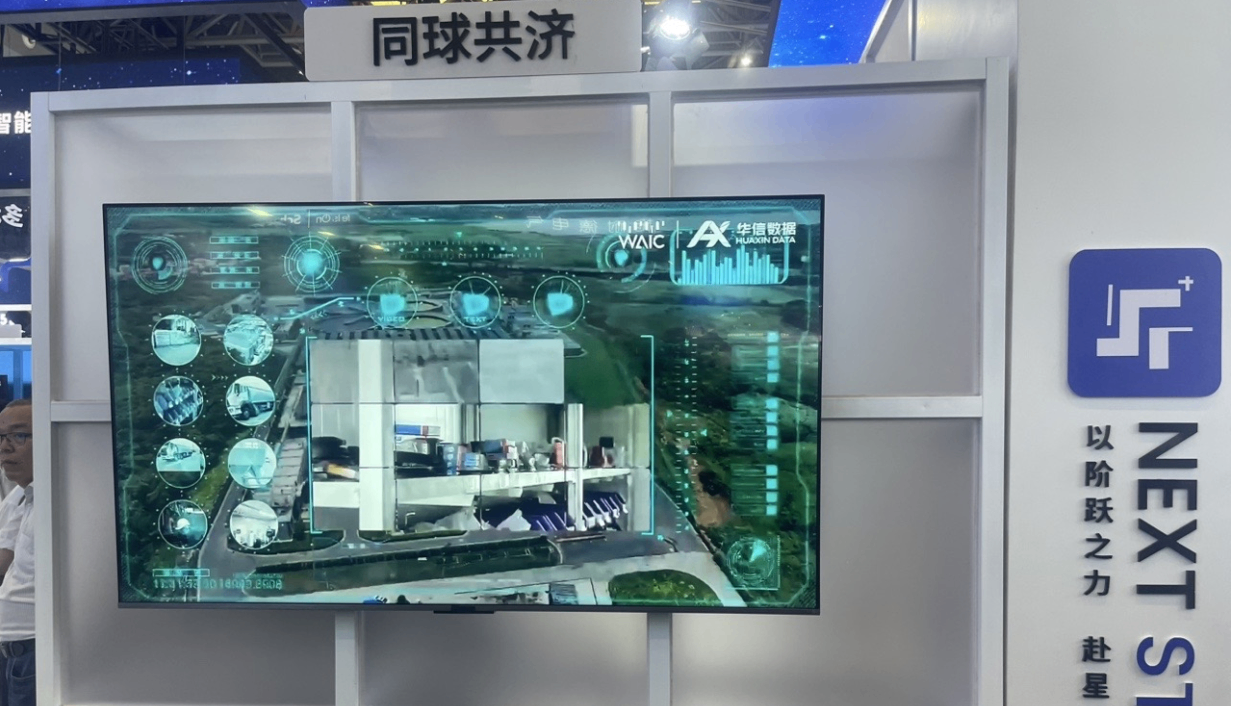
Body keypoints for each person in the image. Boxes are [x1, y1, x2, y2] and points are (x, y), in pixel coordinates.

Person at [0, 399, 34, 706]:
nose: (5, 447)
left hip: (33, 651)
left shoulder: (59, 499)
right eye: (2, 437)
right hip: (13, 651)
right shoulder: (21, 495)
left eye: (19, 435)